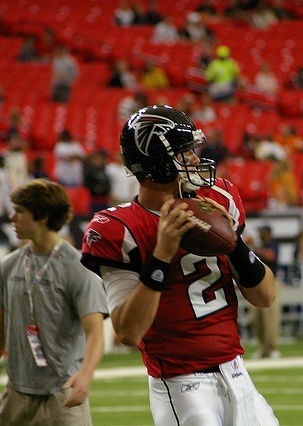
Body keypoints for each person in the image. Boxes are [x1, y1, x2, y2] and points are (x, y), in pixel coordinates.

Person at [80, 105, 279, 425]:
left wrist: (235, 244)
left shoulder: (219, 199)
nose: (196, 159)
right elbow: (128, 332)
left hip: (238, 373)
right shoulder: (119, 227)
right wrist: (161, 255)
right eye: (185, 153)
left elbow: (265, 296)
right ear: (156, 163)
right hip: (181, 383)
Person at [0, 179, 108, 426]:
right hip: (16, 394)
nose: (12, 217)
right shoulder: (10, 265)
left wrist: (86, 374)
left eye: (20, 211)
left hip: (62, 396)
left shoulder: (77, 268)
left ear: (43, 217)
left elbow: (95, 331)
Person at [248, 225, 282, 359]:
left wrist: (253, 246)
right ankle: (263, 347)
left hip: (271, 283)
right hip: (256, 283)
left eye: (262, 232)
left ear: (268, 233)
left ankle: (272, 347)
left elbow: (270, 256)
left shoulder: (273, 244)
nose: (260, 234)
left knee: (271, 316)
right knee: (256, 318)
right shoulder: (258, 246)